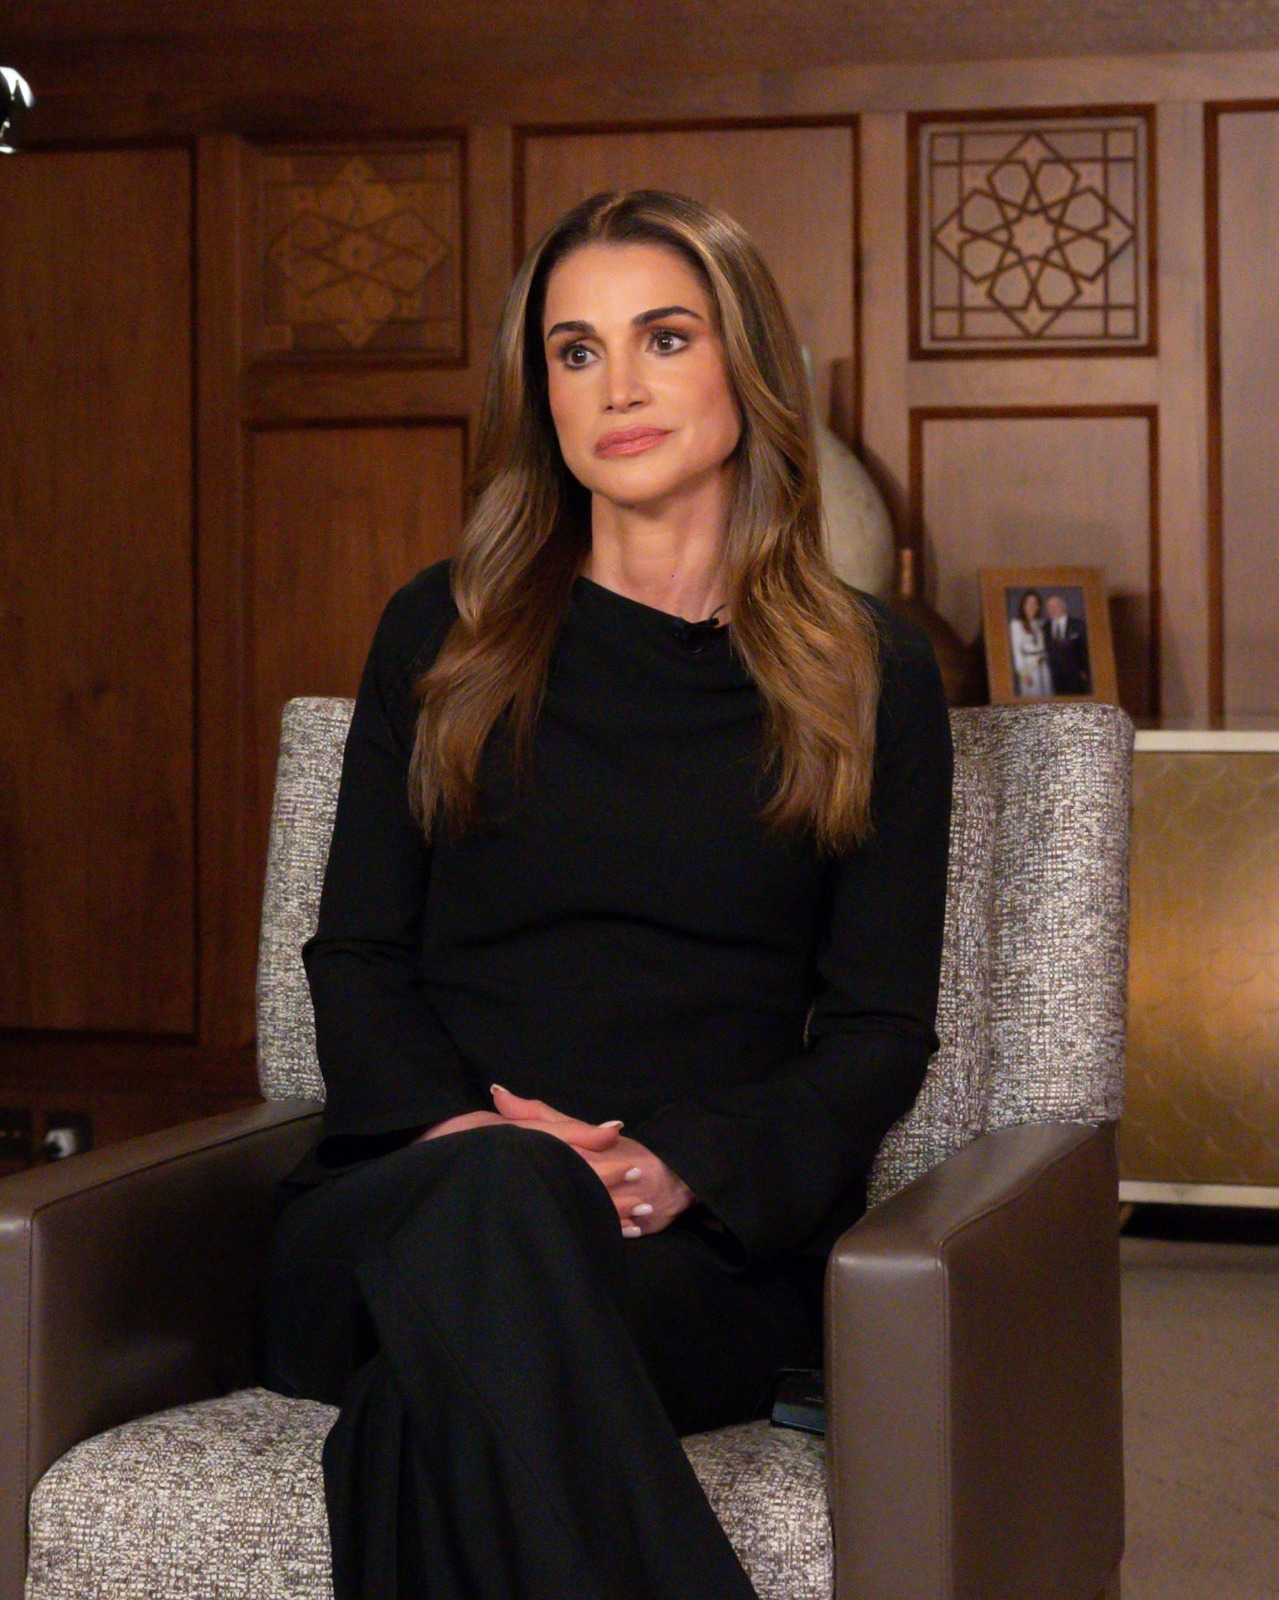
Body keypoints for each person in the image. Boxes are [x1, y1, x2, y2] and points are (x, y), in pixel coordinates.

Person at [258, 188, 953, 1600]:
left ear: (747, 367)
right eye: (574, 352)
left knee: (417, 1416)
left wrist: (669, 1164)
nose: (616, 386)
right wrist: (474, 1144)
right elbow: (356, 957)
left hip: (680, 1250)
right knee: (495, 1213)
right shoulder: (443, 630)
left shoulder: (864, 670)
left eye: (664, 338)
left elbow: (876, 1032)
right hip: (408, 1199)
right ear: (543, 394)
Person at [1043, 591, 1092, 695]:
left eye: (1056, 605)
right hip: (1054, 680)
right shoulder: (1045, 628)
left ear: (1064, 606)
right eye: (1049, 607)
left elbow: (1086, 649)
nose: (1053, 609)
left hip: (1077, 678)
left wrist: (1085, 673)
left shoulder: (1078, 624)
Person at [1009, 588, 1052, 698]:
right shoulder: (1016, 624)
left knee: (1048, 696)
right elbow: (1016, 650)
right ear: (1023, 606)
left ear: (1038, 606)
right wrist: (1023, 673)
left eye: (1035, 603)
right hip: (1029, 667)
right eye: (1028, 603)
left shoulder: (1040, 623)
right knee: (1033, 697)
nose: (1032, 606)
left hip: (1043, 665)